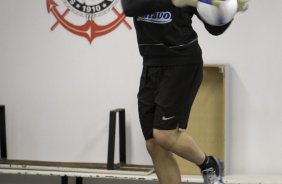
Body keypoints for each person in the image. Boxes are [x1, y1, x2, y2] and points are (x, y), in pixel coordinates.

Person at [120, 0, 248, 183]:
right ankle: (208, 164)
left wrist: (232, 9)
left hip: (182, 63)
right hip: (151, 64)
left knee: (164, 135)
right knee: (154, 145)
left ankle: (209, 164)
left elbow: (215, 29)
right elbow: (130, 7)